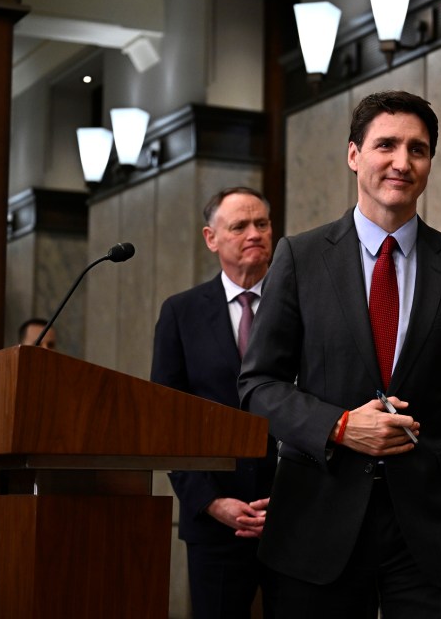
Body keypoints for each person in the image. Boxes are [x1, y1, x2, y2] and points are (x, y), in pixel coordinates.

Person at [237, 90, 441, 618]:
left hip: (430, 533)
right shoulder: (299, 257)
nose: (402, 162)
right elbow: (258, 387)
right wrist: (338, 426)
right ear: (354, 155)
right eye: (386, 145)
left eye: (417, 150)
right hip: (317, 524)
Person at [151, 186, 277, 619]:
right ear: (211, 238)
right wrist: (210, 502)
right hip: (215, 522)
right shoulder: (180, 313)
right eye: (239, 225)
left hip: (294, 516)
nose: (254, 233)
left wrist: (295, 499)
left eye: (262, 223)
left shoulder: (299, 304)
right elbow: (167, 423)